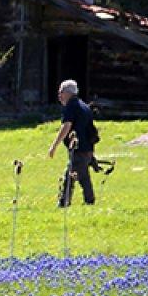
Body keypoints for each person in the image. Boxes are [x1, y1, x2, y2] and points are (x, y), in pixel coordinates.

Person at [48, 79, 96, 207]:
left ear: (68, 93)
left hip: (78, 148)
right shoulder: (84, 106)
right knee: (83, 175)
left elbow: (66, 126)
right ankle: (89, 200)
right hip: (87, 148)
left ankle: (64, 202)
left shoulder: (71, 106)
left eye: (61, 92)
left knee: (70, 175)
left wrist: (54, 145)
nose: (59, 95)